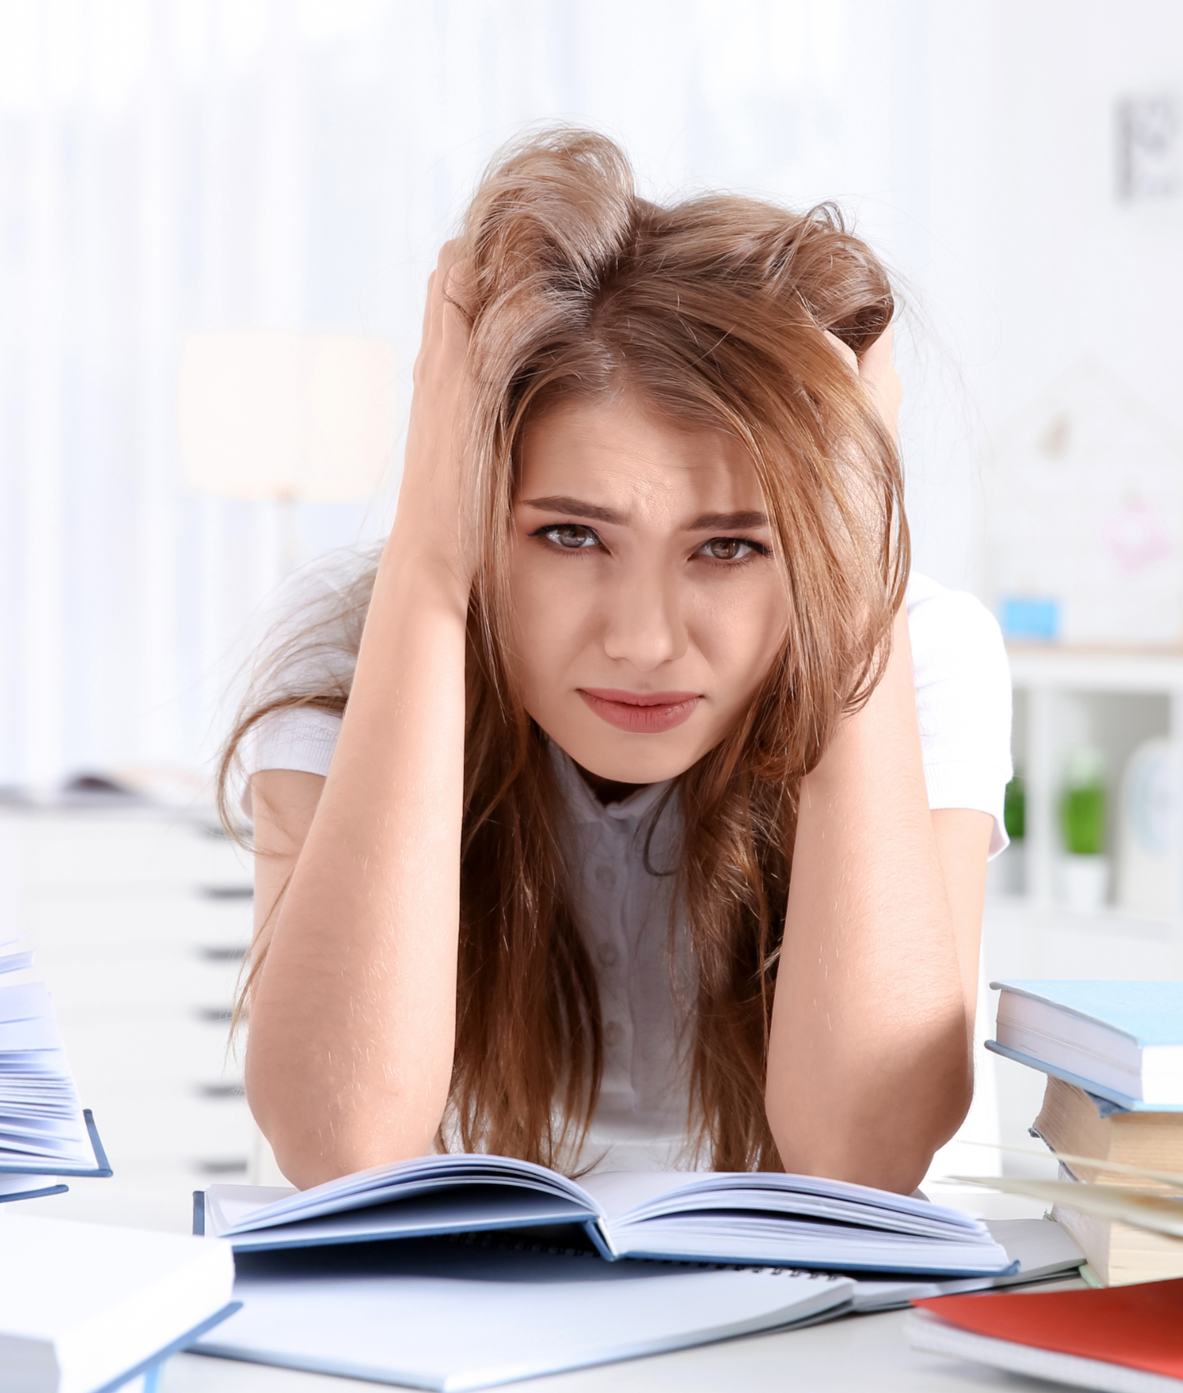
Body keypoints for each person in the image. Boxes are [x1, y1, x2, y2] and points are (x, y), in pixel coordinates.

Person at [219, 127, 1010, 1195]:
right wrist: (425, 570)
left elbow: (861, 1159)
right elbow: (341, 1145)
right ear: (480, 505)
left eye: (729, 545)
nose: (643, 640)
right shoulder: (356, 644)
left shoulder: (915, 651)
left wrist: (847, 601)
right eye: (570, 535)